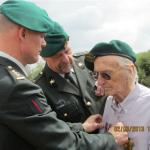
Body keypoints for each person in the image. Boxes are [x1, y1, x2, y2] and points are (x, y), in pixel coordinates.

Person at [0, 0, 128, 149]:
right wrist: (111, 139)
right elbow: (64, 143)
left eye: (67, 51)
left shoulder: (7, 78)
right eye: (41, 36)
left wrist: (82, 127)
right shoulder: (17, 86)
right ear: (22, 33)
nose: (43, 44)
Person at [35, 22, 107, 133]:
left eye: (67, 51)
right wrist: (82, 127)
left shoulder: (88, 57)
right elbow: (51, 130)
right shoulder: (39, 89)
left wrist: (105, 80)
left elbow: (119, 65)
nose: (66, 59)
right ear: (44, 57)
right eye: (58, 56)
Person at [85, 40, 150, 150]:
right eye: (96, 75)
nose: (99, 82)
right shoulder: (109, 100)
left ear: (130, 70)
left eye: (106, 74)